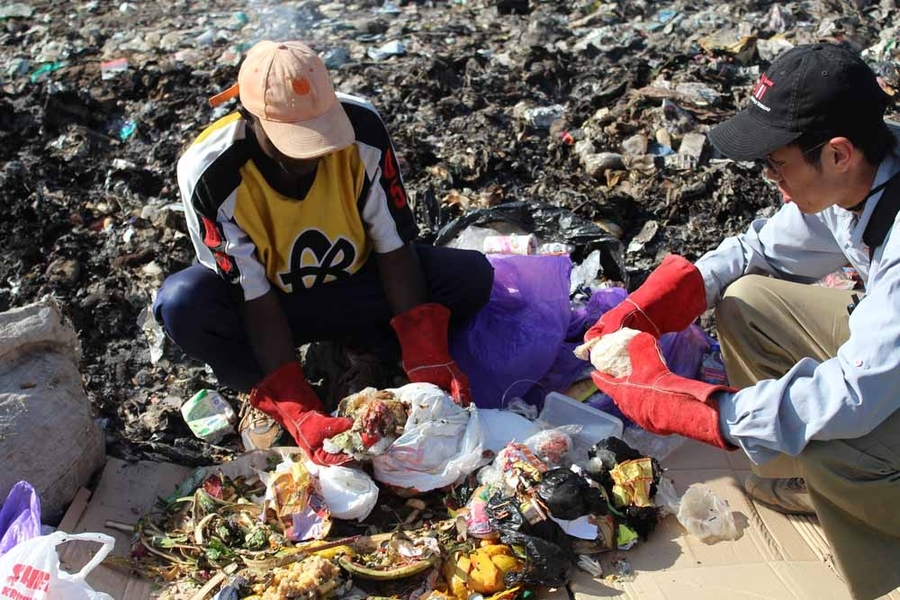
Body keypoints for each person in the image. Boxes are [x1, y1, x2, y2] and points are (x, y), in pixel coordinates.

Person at [584, 43, 900, 599]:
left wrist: (702, 411)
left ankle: (881, 555)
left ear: (838, 154)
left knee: (836, 439)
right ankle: (804, 477)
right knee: (747, 300)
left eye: (777, 164)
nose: (769, 178)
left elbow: (854, 396)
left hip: (872, 383)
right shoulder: (865, 173)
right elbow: (759, 249)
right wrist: (661, 302)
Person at [153, 40, 493, 465]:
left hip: (354, 284)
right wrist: (299, 407)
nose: (311, 156)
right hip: (272, 308)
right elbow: (250, 294)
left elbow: (394, 246)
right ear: (249, 117)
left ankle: (363, 350)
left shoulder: (361, 129)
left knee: (471, 276)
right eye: (293, 142)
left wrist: (425, 351)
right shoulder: (209, 171)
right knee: (184, 304)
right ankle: (272, 393)